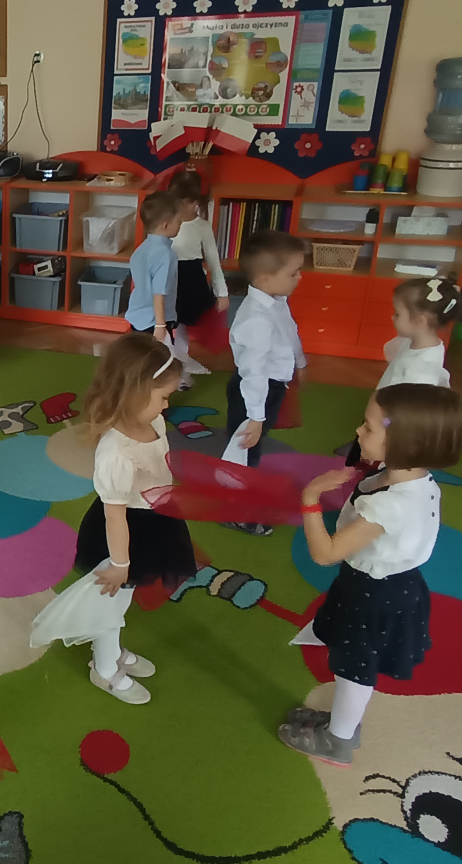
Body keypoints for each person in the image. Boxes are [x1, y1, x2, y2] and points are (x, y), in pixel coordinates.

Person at [280, 383, 462, 766]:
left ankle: (339, 740)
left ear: (404, 443)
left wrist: (310, 499)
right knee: (354, 660)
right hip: (384, 586)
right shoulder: (409, 477)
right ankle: (341, 725)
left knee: (354, 667)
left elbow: (325, 554)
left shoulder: (392, 505)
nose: (358, 431)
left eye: (368, 426)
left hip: (375, 595)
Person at [58, 333, 195, 705]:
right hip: (121, 537)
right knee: (112, 605)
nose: (167, 405)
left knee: (122, 601)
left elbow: (159, 467)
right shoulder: (115, 453)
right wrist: (120, 564)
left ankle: (113, 651)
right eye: (163, 397)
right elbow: (114, 515)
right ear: (134, 393)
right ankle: (104, 669)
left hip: (150, 524)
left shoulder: (155, 424)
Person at [223, 230, 307, 536]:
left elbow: (289, 332)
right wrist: (255, 417)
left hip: (269, 387)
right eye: (293, 273)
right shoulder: (256, 320)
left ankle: (243, 489)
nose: (299, 277)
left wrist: (299, 362)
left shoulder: (276, 300)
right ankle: (234, 509)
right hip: (255, 391)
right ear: (265, 279)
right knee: (243, 451)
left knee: (251, 447)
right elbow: (253, 372)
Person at [344, 277, 456, 465]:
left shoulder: (422, 370)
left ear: (420, 321)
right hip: (382, 406)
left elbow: (409, 416)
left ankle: (366, 456)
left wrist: (385, 436)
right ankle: (363, 445)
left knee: (370, 457)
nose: (392, 317)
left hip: (391, 421)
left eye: (397, 314)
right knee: (368, 430)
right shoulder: (416, 341)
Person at [168, 171, 229, 389]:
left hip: (191, 281)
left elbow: (213, 260)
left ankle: (181, 369)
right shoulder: (164, 221)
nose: (185, 206)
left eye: (189, 202)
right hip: (168, 278)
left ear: (195, 202)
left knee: (183, 324)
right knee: (166, 324)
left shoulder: (201, 226)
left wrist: (222, 292)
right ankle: (168, 367)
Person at [124, 191, 184, 342]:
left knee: (139, 352)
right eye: (179, 221)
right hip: (155, 321)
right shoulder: (166, 255)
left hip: (138, 317)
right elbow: (159, 293)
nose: (181, 224)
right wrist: (160, 325)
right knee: (159, 355)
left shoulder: (140, 250)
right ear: (165, 225)